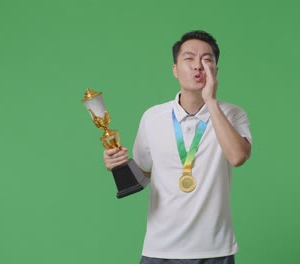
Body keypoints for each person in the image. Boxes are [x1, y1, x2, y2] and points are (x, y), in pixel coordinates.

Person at [103, 30, 252, 264]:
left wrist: (211, 101)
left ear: (215, 70)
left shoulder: (232, 114)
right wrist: (117, 165)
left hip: (214, 250)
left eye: (206, 60)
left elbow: (238, 156)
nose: (198, 66)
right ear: (175, 69)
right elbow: (143, 172)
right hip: (160, 249)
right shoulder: (153, 117)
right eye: (189, 58)